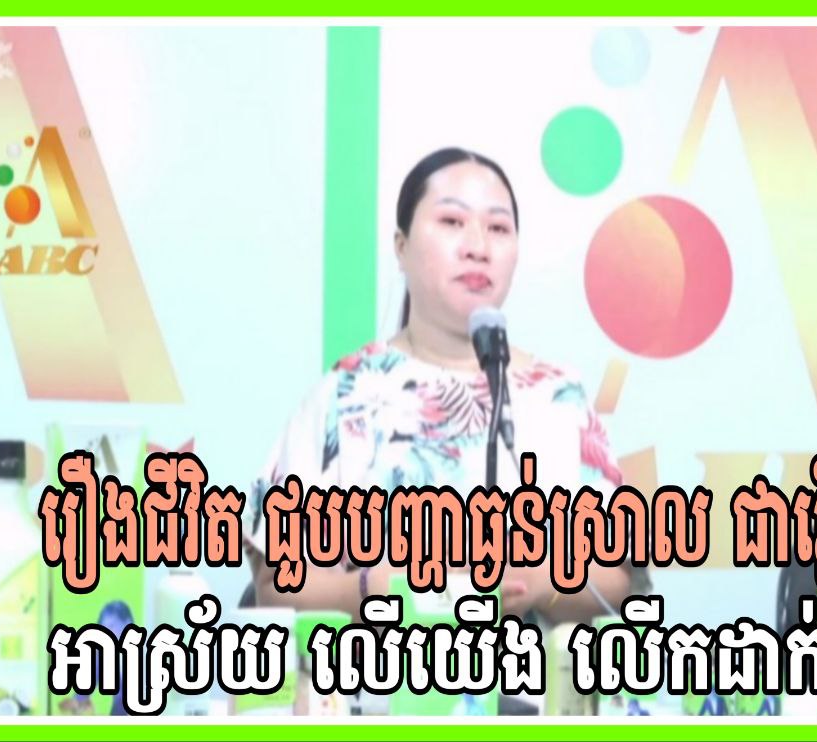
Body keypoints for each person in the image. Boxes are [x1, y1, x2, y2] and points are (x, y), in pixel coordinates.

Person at [244, 147, 646, 628]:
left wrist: (543, 584)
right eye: (452, 221)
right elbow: (273, 585)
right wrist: (374, 588)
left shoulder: (559, 399)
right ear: (401, 246)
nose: (478, 246)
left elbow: (621, 581)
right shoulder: (346, 394)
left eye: (498, 228)